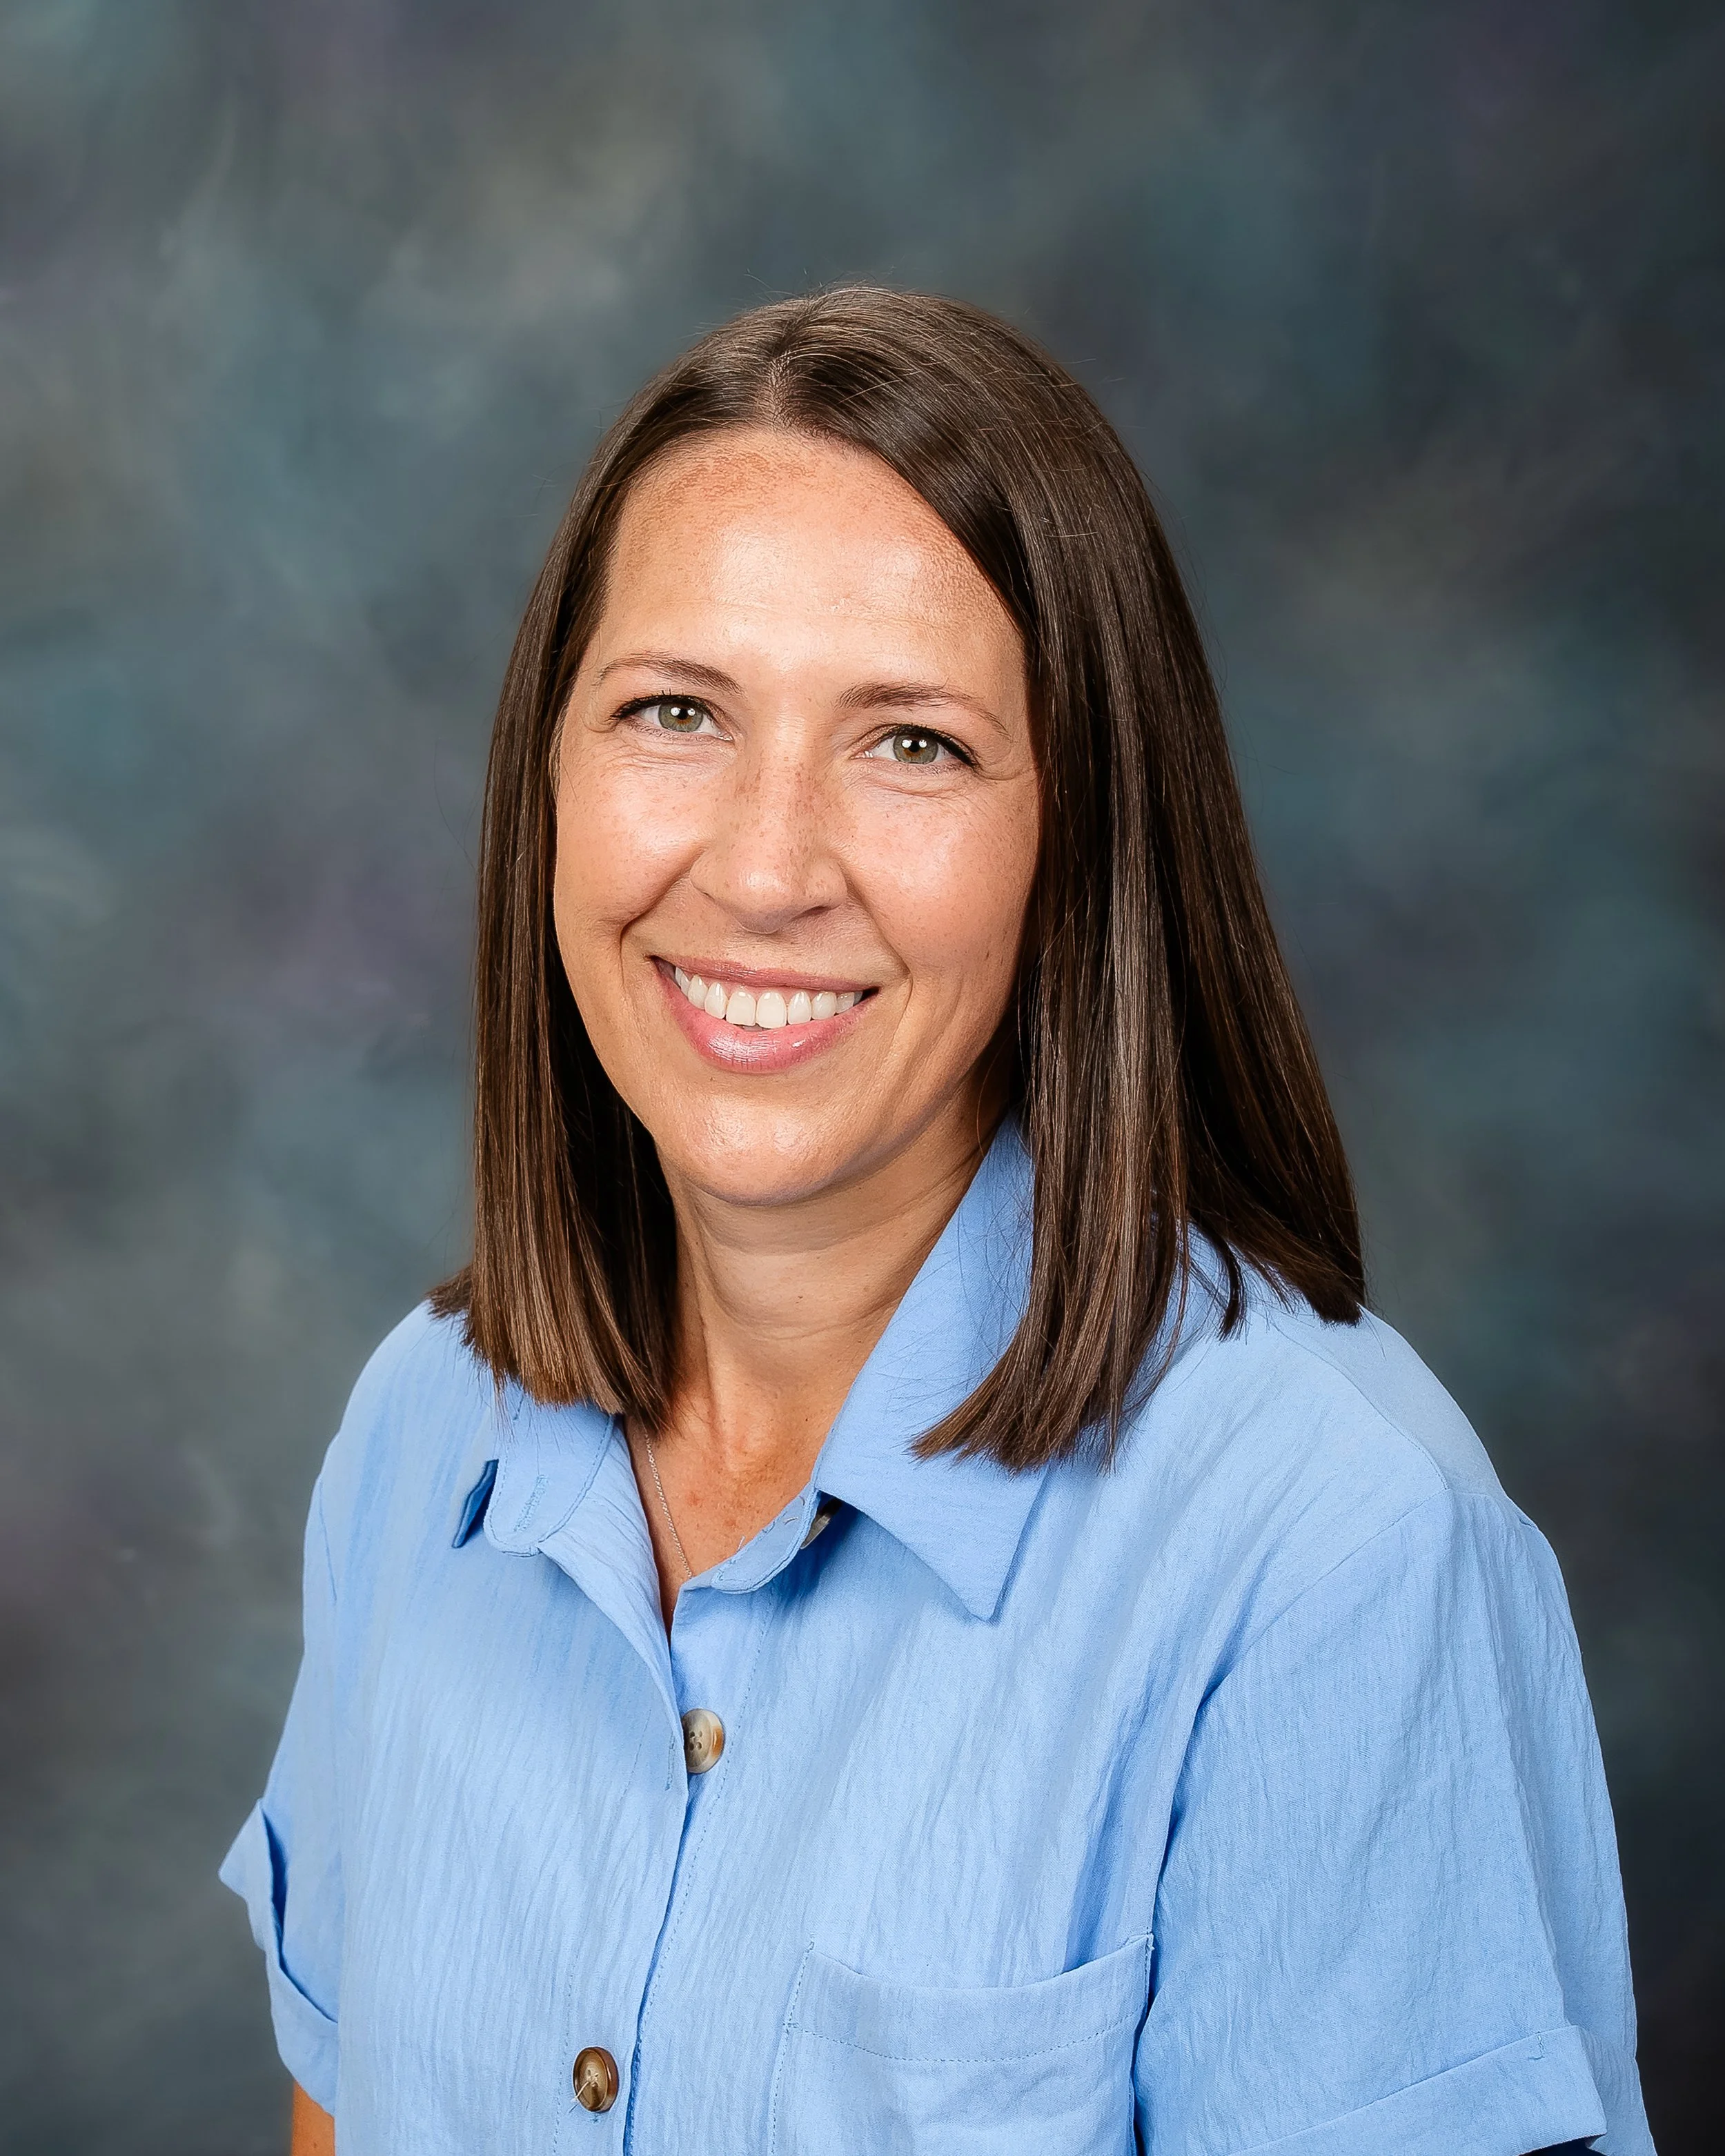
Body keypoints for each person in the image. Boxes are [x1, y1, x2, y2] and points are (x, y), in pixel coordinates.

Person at [221, 288, 1653, 2156]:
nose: (758, 865)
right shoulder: (424, 1440)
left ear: (1080, 833)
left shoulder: (1328, 1553)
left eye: (909, 742)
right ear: (544, 779)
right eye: (674, 712)